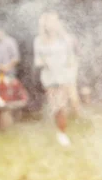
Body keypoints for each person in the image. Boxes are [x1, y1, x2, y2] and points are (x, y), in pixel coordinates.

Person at [34, 11, 80, 147]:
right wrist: (45, 62)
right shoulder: (38, 40)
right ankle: (61, 132)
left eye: (55, 21)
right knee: (56, 106)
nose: (53, 24)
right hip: (49, 78)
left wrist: (71, 76)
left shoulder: (65, 39)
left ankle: (62, 132)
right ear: (45, 25)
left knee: (62, 105)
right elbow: (37, 60)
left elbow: (72, 59)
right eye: (50, 22)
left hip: (64, 77)